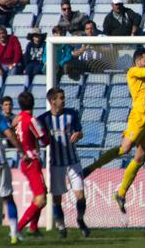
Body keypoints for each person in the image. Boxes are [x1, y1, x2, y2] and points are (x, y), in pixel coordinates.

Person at [83, 45, 145, 213]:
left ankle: (121, 193)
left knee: (140, 159)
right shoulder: (133, 72)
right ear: (137, 61)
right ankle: (92, 167)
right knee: (125, 149)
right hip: (139, 117)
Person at [37, 88, 90, 238]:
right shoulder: (43, 119)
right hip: (56, 164)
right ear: (52, 101)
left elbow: (80, 132)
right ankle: (61, 228)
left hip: (73, 161)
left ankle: (80, 220)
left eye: (63, 97)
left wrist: (78, 135)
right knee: (56, 198)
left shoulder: (71, 114)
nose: (63, 100)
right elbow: (34, 131)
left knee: (80, 195)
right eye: (61, 98)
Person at [13, 92, 49, 237]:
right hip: (32, 161)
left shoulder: (18, 119)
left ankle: (33, 228)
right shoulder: (30, 120)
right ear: (33, 103)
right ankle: (16, 230)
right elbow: (45, 140)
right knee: (41, 199)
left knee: (40, 195)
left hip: (25, 161)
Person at [0, 95, 25, 245]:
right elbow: (10, 135)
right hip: (0, 160)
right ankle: (14, 233)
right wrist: (21, 150)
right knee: (8, 197)